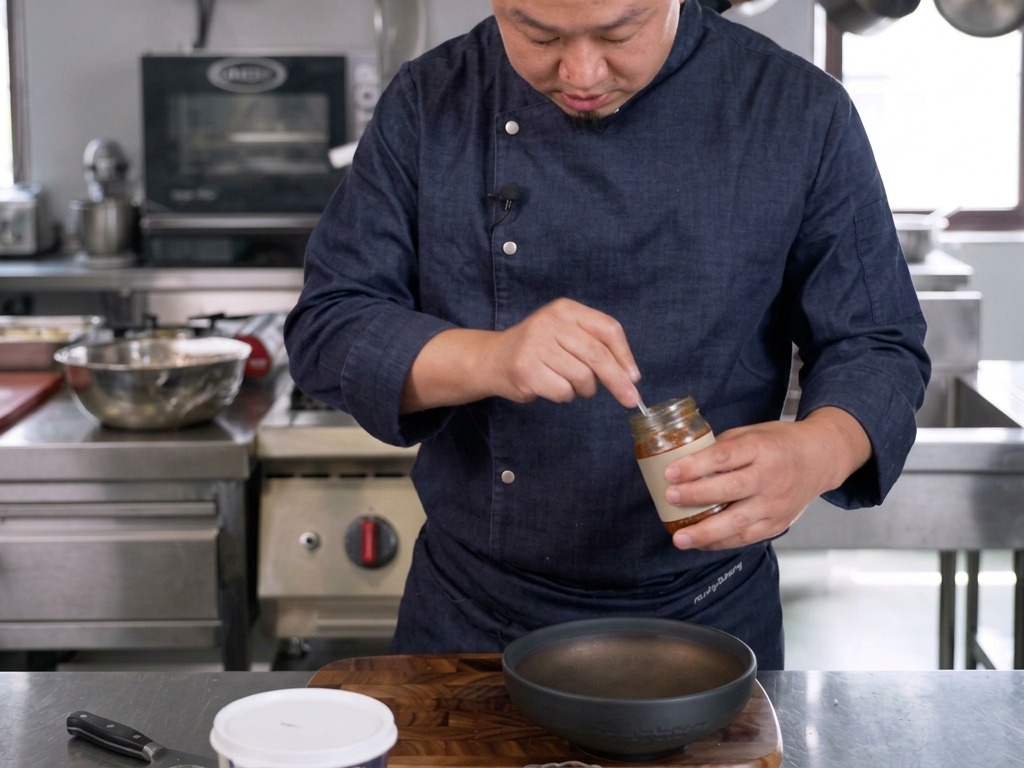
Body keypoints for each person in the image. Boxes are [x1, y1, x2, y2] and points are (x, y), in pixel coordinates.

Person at [285, 0, 930, 670]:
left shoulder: (798, 111)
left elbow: (878, 341)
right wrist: (492, 357)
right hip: (470, 621)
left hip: (708, 613)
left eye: (620, 33)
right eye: (539, 35)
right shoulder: (431, 101)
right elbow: (329, 325)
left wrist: (818, 449)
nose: (582, 71)